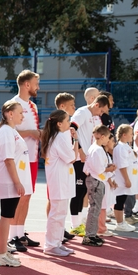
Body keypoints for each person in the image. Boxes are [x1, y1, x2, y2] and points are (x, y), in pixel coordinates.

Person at [0, 100, 33, 266]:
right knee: (6, 216)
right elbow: (9, 160)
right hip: (9, 181)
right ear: (9, 113)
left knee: (8, 216)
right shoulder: (6, 131)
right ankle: (1, 254)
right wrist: (17, 182)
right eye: (20, 112)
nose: (22, 115)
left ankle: (3, 251)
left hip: (13, 180)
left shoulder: (11, 131)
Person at [10, 70, 41, 250]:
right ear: (26, 85)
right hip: (20, 158)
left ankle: (20, 233)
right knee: (19, 197)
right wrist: (30, 133)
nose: (38, 87)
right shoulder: (14, 104)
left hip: (33, 155)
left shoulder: (33, 106)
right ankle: (13, 235)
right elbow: (8, 130)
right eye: (36, 83)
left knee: (27, 196)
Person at [69, 94, 109, 237]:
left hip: (89, 160)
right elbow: (71, 129)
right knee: (77, 192)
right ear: (96, 104)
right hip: (81, 159)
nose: (102, 114)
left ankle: (80, 223)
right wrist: (80, 151)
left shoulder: (96, 117)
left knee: (84, 192)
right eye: (102, 110)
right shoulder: (82, 112)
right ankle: (75, 224)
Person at [41, 110, 77, 256]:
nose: (70, 123)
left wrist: (72, 139)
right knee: (57, 213)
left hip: (61, 180)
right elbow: (72, 157)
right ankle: (50, 245)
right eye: (68, 121)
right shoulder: (60, 137)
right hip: (59, 180)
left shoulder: (59, 136)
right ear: (59, 124)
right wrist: (76, 141)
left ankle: (57, 242)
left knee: (60, 212)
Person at [83, 125, 116, 247]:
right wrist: (109, 168)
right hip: (95, 180)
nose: (108, 140)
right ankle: (89, 235)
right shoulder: (97, 149)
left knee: (95, 209)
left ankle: (92, 233)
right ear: (102, 137)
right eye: (107, 137)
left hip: (97, 180)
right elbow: (98, 168)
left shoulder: (96, 148)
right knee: (94, 209)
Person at [112, 124, 138, 232]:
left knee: (122, 200)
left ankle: (121, 222)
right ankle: (119, 223)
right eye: (130, 133)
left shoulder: (126, 146)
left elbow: (130, 163)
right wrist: (127, 180)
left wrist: (137, 174)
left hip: (127, 178)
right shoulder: (120, 148)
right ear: (124, 135)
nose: (132, 135)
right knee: (120, 200)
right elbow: (122, 166)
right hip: (122, 180)